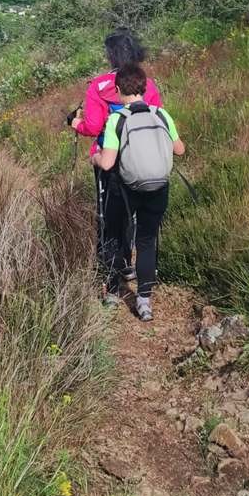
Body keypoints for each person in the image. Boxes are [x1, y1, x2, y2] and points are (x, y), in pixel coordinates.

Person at [69, 28, 161, 303]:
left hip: (107, 159)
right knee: (136, 212)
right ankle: (133, 266)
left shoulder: (97, 86)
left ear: (111, 54)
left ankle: (113, 272)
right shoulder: (149, 84)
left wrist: (75, 123)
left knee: (109, 215)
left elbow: (94, 126)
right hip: (141, 158)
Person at [91, 62, 184, 321]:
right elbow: (180, 149)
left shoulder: (116, 120)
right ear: (144, 87)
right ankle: (144, 302)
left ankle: (111, 292)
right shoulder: (162, 115)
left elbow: (108, 163)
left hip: (126, 189)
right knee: (146, 241)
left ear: (119, 89)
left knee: (113, 235)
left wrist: (96, 158)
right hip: (158, 188)